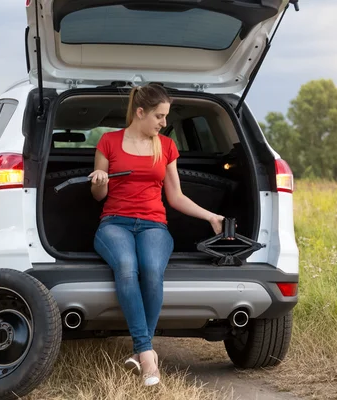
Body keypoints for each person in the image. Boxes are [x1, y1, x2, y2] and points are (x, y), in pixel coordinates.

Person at [88, 83, 227, 386]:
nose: (164, 123)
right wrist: (100, 179)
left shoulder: (165, 146)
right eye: (160, 116)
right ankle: (149, 356)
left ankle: (141, 350)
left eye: (166, 116)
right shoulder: (108, 142)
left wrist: (211, 216)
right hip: (114, 223)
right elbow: (99, 195)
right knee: (126, 268)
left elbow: (175, 196)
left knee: (151, 270)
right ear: (140, 112)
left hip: (153, 225)